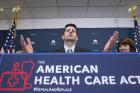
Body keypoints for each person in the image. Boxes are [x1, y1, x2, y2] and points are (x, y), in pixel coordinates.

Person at [20, 23, 89, 53]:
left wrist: (100, 57)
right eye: (68, 30)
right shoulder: (54, 53)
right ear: (62, 37)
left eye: (73, 31)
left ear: (77, 38)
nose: (70, 32)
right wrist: (31, 55)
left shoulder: (86, 53)